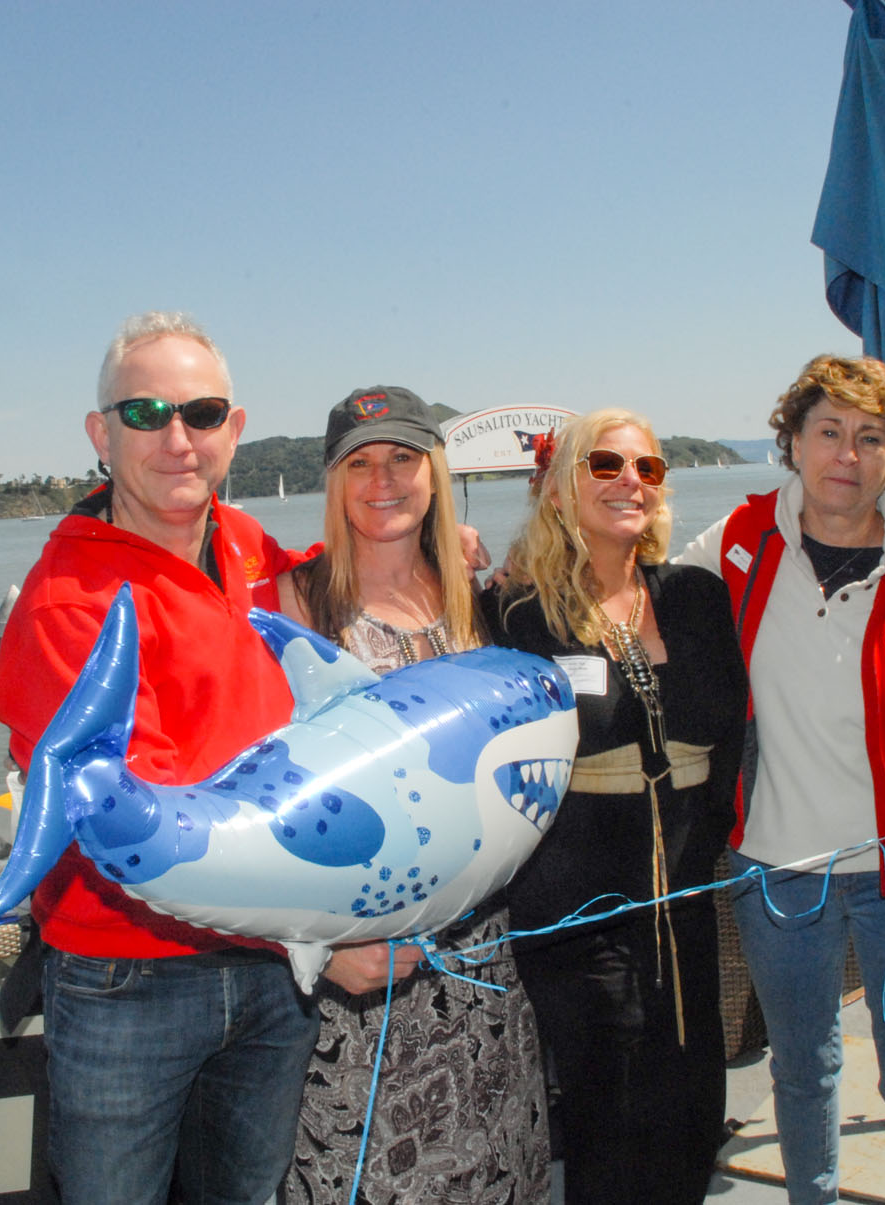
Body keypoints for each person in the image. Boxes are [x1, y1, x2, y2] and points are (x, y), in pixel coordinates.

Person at [0, 312, 320, 1205]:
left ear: (234, 430)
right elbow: (149, 820)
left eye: (202, 413)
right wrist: (330, 926)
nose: (178, 439)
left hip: (266, 975)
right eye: (145, 413)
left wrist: (450, 553)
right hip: (129, 982)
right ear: (101, 435)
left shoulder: (240, 542)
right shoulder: (68, 603)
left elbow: (320, 581)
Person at [674, 354, 885, 1205]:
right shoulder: (740, 542)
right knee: (801, 1070)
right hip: (777, 871)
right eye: (828, 431)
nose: (847, 455)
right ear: (793, 441)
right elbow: (630, 593)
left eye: (872, 438)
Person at [274, 386, 551, 1204]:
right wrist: (323, 944)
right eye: (360, 463)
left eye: (403, 457)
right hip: (364, 969)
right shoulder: (297, 603)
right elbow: (273, 805)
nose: (384, 479)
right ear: (334, 482)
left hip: (483, 958)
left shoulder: (474, 593)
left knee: (498, 1174)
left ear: (435, 472)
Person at [482, 408, 746, 1204]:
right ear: (561, 489)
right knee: (614, 1118)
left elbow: (729, 734)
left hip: (687, 902)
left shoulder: (695, 596)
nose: (630, 480)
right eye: (605, 464)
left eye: (647, 468)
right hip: (578, 911)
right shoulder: (516, 614)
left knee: (695, 1109)